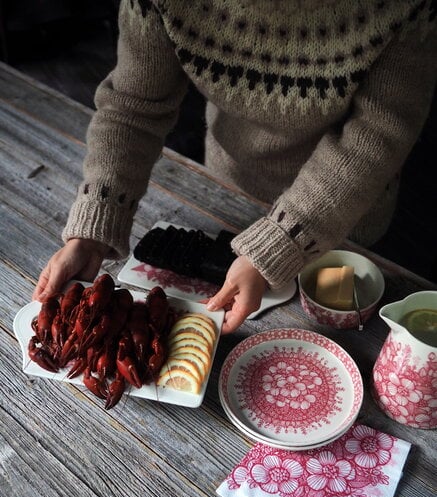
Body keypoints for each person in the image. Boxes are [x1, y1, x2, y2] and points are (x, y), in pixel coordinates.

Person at [33, 0, 437, 334]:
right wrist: (94, 226)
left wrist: (282, 239)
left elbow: (376, 136)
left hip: (345, 213)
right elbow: (132, 107)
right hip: (229, 190)